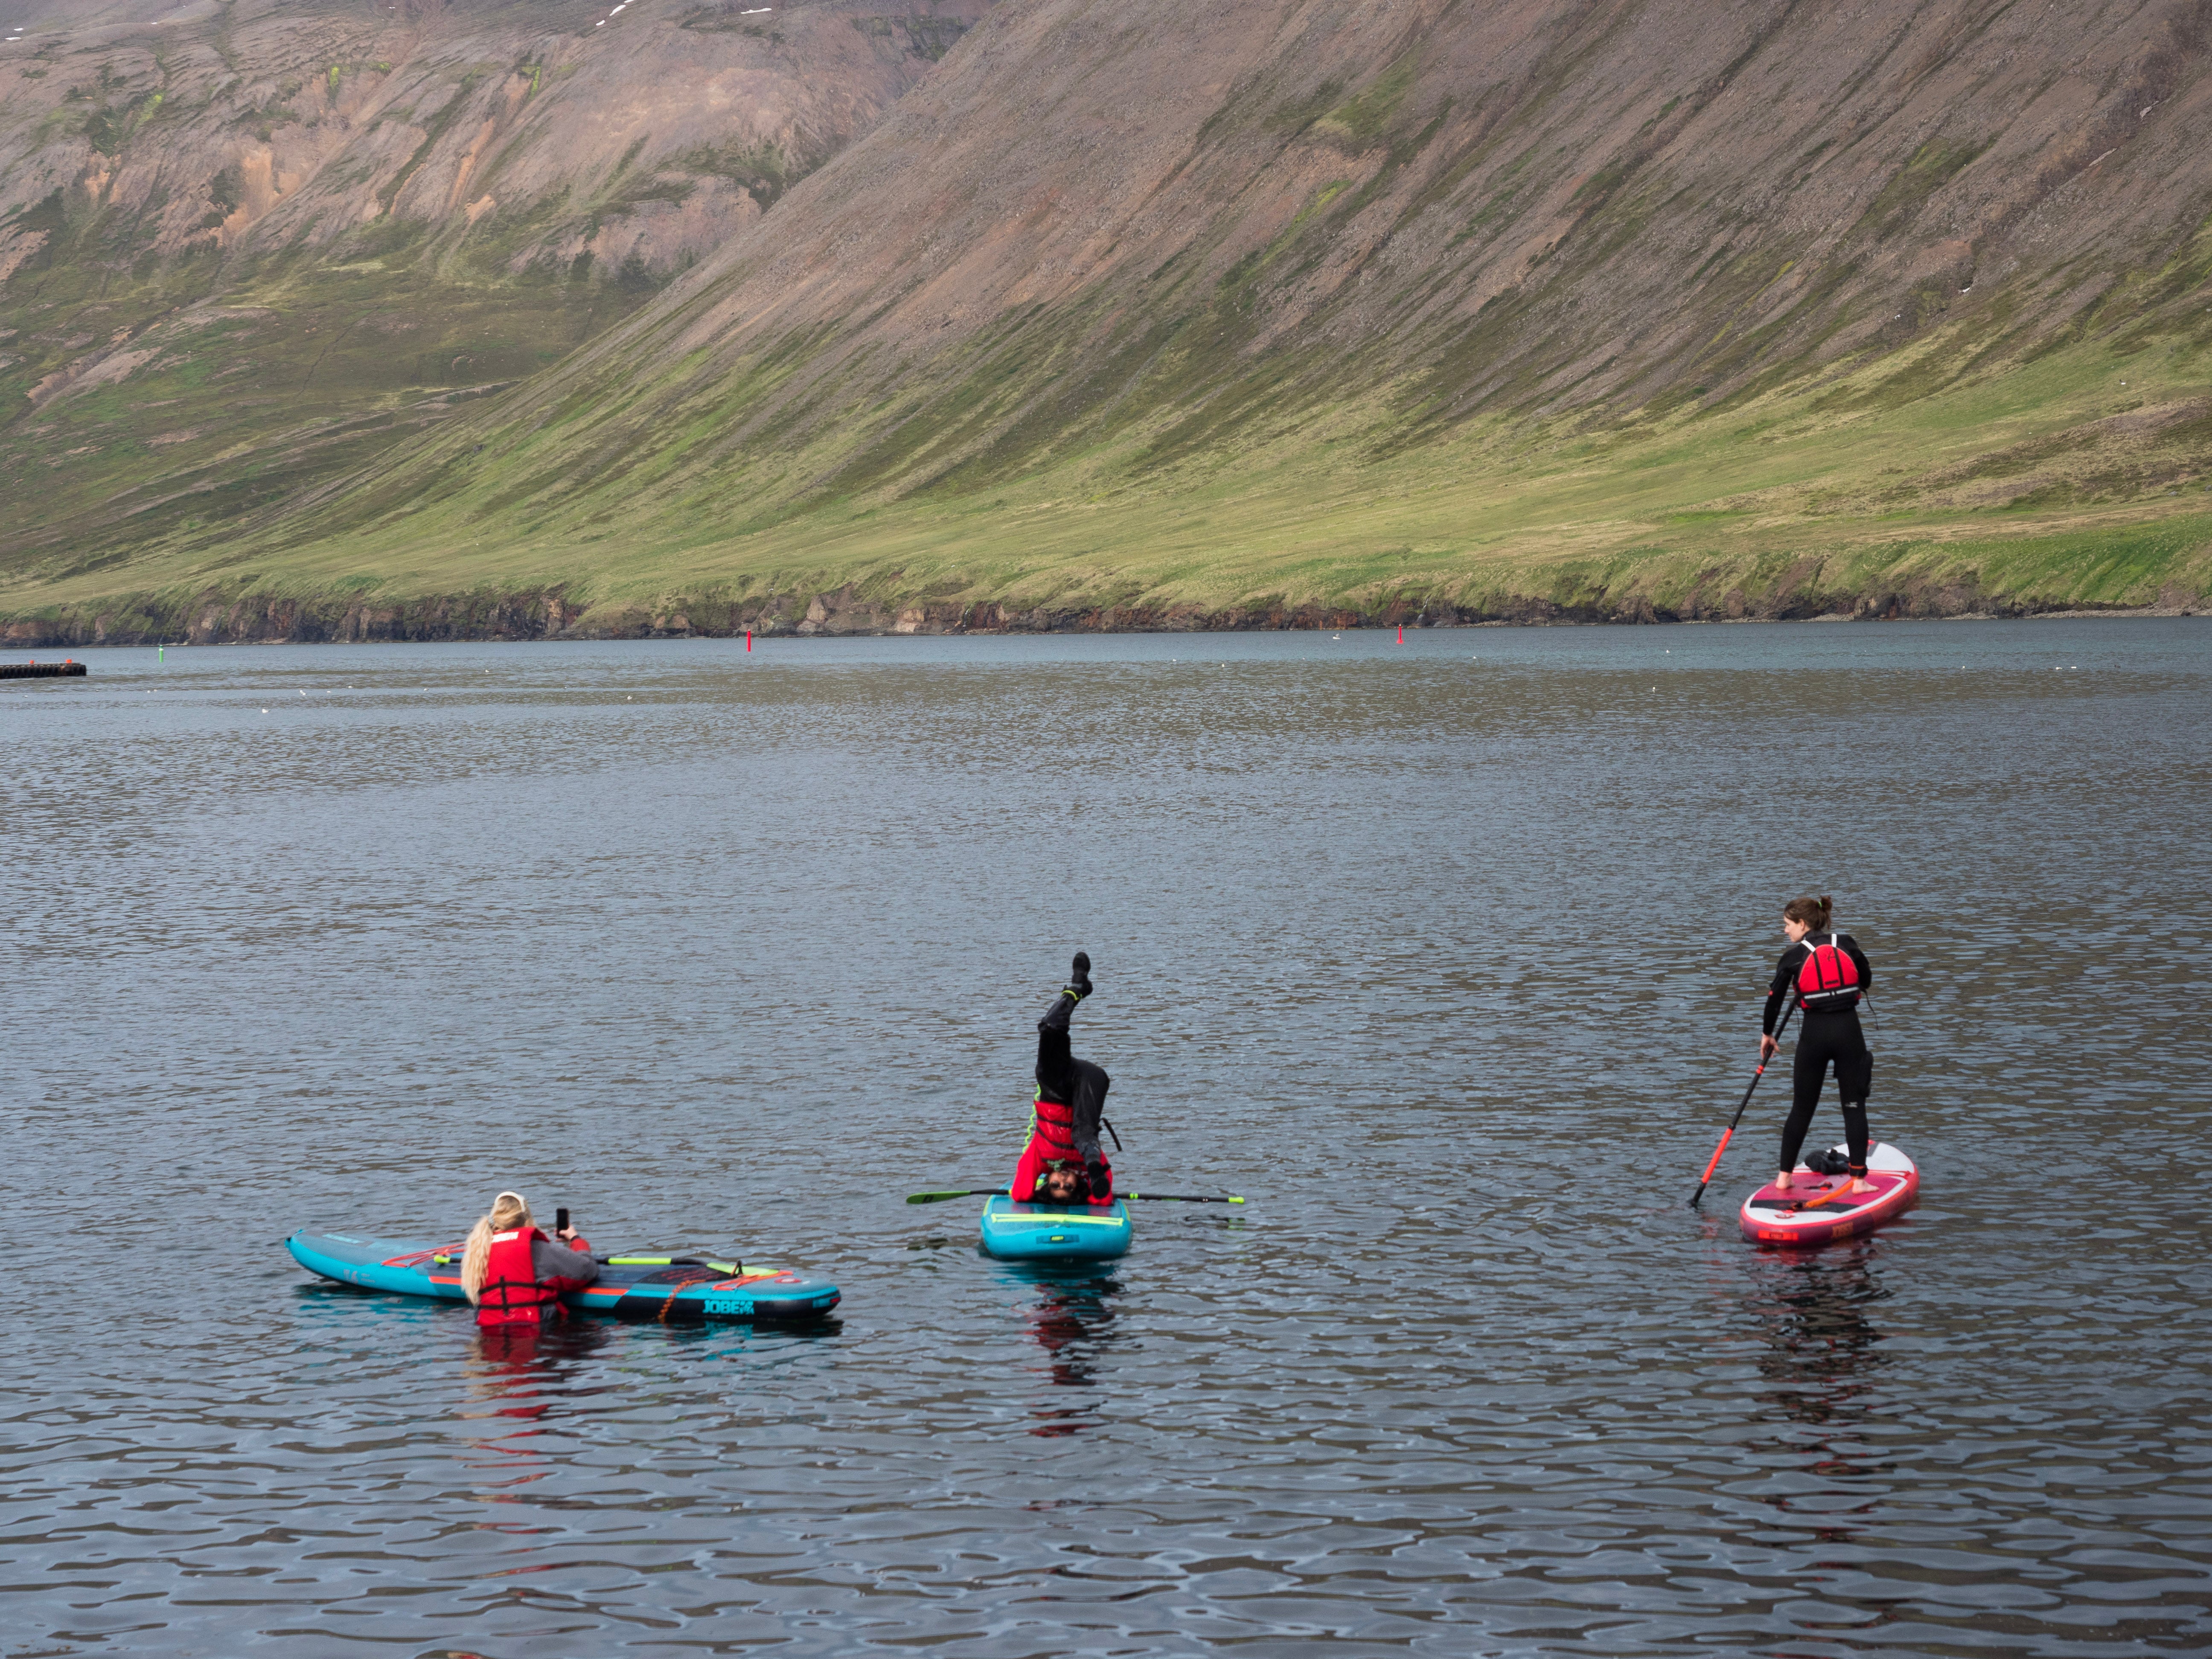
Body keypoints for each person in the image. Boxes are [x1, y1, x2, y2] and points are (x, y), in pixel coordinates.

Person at [1761, 895, 1875, 1193]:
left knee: (1801, 1108)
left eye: (1787, 925)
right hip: (1849, 1033)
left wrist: (1768, 1035)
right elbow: (1866, 979)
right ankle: (1860, 1181)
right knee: (1853, 1106)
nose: (1785, 931)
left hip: (1814, 1037)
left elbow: (1773, 1001)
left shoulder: (1793, 957)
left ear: (1802, 924)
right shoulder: (1847, 943)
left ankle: (1784, 1179)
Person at [1013, 951, 1115, 1205]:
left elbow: (1020, 1194)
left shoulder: (1039, 1157)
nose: (1063, 1180)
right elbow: (1102, 1199)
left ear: (1046, 1181)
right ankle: (1091, 1158)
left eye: (1056, 1185)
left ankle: (1078, 986)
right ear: (1078, 1186)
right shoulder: (1081, 1174)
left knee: (1050, 1027)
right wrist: (1089, 1187)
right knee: (1084, 1135)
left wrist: (1036, 1198)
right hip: (1088, 1086)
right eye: (1068, 1187)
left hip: (1055, 1092)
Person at [459, 1190, 600, 1327]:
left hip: (489, 1337)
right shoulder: (537, 1248)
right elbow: (587, 1269)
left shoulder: (478, 1251)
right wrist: (576, 1239)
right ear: (527, 1219)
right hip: (538, 1335)